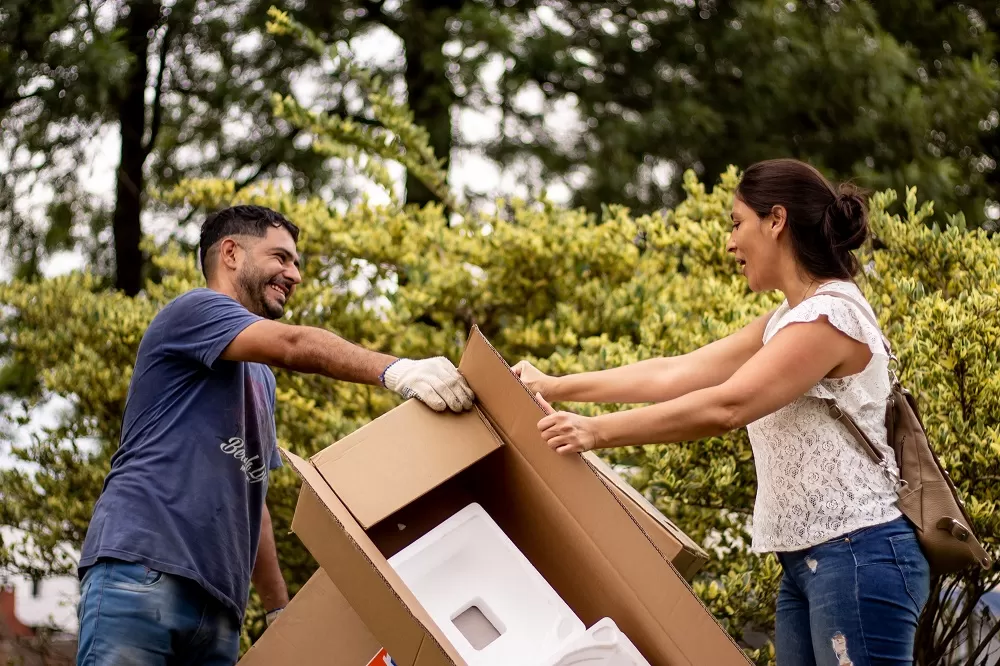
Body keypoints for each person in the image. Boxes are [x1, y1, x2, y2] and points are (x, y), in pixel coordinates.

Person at [513, 159, 930, 665]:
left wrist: (593, 432)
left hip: (858, 554)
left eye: (737, 223)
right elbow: (678, 372)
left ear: (775, 220)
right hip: (810, 561)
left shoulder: (831, 318)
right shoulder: (788, 318)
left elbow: (727, 405)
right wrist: (556, 385)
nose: (730, 243)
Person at [75, 205, 475, 665]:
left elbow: (252, 490)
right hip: (142, 571)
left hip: (219, 610)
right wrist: (397, 370)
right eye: (281, 258)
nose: (294, 274)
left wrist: (276, 607)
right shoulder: (195, 311)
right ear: (230, 253)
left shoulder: (260, 378)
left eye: (297, 263)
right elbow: (294, 344)